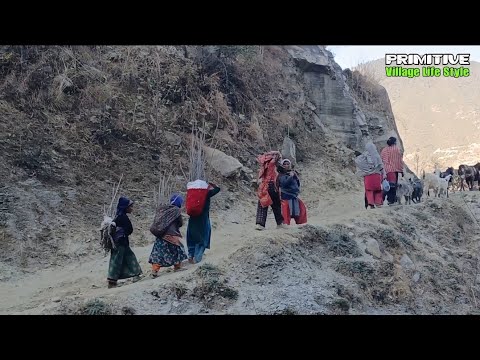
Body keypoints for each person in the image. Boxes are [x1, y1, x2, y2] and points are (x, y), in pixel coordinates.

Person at [148, 194, 188, 277]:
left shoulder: (163, 209)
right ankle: (177, 267)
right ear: (178, 202)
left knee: (159, 253)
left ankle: (154, 270)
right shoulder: (176, 210)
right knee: (178, 250)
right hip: (172, 234)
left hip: (160, 234)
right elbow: (180, 223)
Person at [107, 197, 142, 288]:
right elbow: (129, 229)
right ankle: (112, 281)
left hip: (120, 242)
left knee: (129, 258)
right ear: (125, 207)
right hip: (120, 243)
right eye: (130, 207)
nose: (132, 208)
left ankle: (136, 275)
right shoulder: (123, 217)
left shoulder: (117, 216)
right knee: (117, 261)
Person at [186, 183, 220, 264]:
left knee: (191, 237)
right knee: (202, 238)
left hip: (192, 219)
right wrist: (213, 184)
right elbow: (218, 189)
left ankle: (190, 255)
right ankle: (197, 258)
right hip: (203, 219)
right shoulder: (206, 193)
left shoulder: (191, 193)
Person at [255, 151, 286, 230]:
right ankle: (279, 223)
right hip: (272, 185)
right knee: (276, 205)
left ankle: (260, 224)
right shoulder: (273, 162)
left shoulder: (263, 163)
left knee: (262, 204)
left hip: (264, 186)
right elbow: (281, 168)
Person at [355, 142, 386, 209]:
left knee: (369, 191)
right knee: (378, 190)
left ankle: (371, 205)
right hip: (377, 176)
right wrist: (384, 174)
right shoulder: (377, 155)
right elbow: (381, 166)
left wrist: (367, 170)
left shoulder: (363, 156)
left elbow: (359, 163)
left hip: (368, 176)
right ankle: (378, 204)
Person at [277, 159, 307, 225]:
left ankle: (301, 224)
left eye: (288, 164)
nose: (286, 165)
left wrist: (295, 177)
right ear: (282, 165)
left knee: (301, 209)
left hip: (294, 195)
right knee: (286, 212)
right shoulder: (281, 175)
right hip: (286, 196)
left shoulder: (292, 173)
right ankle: (286, 224)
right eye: (284, 164)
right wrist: (291, 177)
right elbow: (284, 184)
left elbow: (297, 183)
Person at [380, 136, 405, 205]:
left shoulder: (384, 150)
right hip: (393, 171)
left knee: (385, 186)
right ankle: (391, 201)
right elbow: (399, 161)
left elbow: (382, 160)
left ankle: (380, 200)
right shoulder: (397, 150)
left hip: (385, 171)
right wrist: (401, 170)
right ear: (395, 142)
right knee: (392, 186)